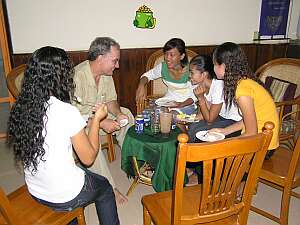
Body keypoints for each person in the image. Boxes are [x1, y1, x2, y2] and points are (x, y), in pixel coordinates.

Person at [7, 46, 119, 225]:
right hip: (63, 195)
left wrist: (87, 120)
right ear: (60, 76)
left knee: (77, 173)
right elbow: (89, 158)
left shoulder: (23, 107)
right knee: (104, 187)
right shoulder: (65, 111)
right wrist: (97, 119)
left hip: (36, 189)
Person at [72, 37, 133, 204]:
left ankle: (132, 160)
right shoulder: (77, 77)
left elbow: (111, 101)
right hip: (79, 127)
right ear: (100, 58)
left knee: (127, 114)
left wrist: (118, 113)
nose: (118, 65)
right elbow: (71, 117)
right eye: (114, 60)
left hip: (99, 117)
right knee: (90, 142)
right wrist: (99, 122)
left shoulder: (107, 75)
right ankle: (109, 187)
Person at [211, 42, 279, 158]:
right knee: (215, 145)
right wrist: (224, 131)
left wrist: (225, 142)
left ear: (223, 66)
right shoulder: (244, 81)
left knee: (215, 151)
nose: (213, 68)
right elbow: (249, 121)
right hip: (260, 140)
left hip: (263, 147)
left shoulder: (242, 91)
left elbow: (251, 133)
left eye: (214, 64)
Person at [187, 54, 242, 142]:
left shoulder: (218, 86)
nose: (189, 76)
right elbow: (203, 114)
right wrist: (188, 119)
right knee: (193, 126)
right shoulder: (202, 87)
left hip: (235, 121)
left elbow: (209, 120)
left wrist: (201, 99)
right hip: (221, 117)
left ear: (204, 74)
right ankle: (189, 153)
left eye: (192, 72)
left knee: (198, 132)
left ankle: (194, 153)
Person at [135, 38, 197, 115]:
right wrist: (141, 86)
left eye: (172, 55)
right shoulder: (163, 67)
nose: (167, 58)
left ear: (182, 56)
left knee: (172, 117)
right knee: (150, 114)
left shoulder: (192, 70)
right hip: (168, 102)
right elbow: (147, 76)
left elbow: (196, 94)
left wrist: (180, 104)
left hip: (188, 104)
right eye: (166, 54)